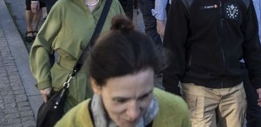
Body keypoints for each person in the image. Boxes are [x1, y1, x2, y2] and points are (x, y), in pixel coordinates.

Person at [163, 0, 261, 125]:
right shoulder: (184, 0)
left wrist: (259, 82)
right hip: (198, 89)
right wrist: (171, 89)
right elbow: (173, 48)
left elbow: (251, 44)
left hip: (234, 88)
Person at [29, 0, 124, 112]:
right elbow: (41, 45)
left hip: (106, 86)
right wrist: (44, 82)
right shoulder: (63, 6)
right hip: (69, 86)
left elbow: (126, 45)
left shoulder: (113, 4)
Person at [57, 15, 191, 126]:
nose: (134, 114)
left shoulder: (177, 112)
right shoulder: (70, 124)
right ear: (96, 85)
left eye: (145, 96)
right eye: (121, 100)